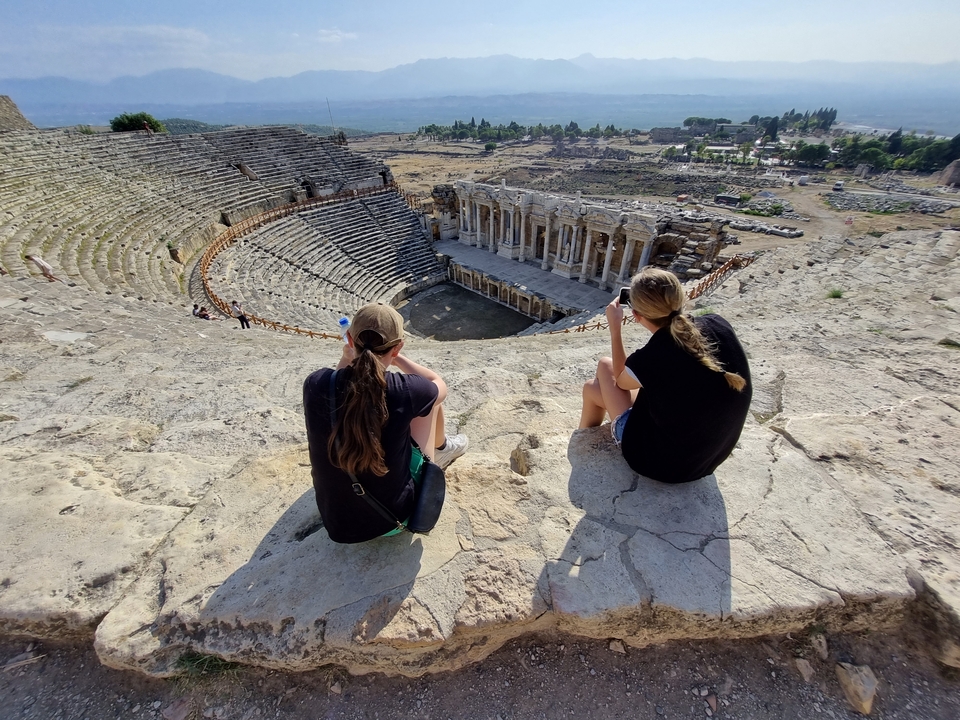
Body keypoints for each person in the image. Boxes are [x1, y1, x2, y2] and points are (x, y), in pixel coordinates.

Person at [302, 303, 468, 543]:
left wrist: (345, 358)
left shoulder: (315, 383)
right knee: (430, 403)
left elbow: (336, 390)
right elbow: (437, 383)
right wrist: (398, 360)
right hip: (395, 519)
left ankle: (440, 450)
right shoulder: (406, 389)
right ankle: (441, 450)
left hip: (337, 524)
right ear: (398, 346)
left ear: (349, 338)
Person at [579, 267, 751, 484]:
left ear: (636, 315)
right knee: (592, 390)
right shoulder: (718, 323)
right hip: (710, 457)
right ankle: (583, 438)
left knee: (605, 366)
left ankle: (582, 445)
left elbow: (620, 380)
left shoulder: (651, 358)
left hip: (661, 465)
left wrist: (615, 329)